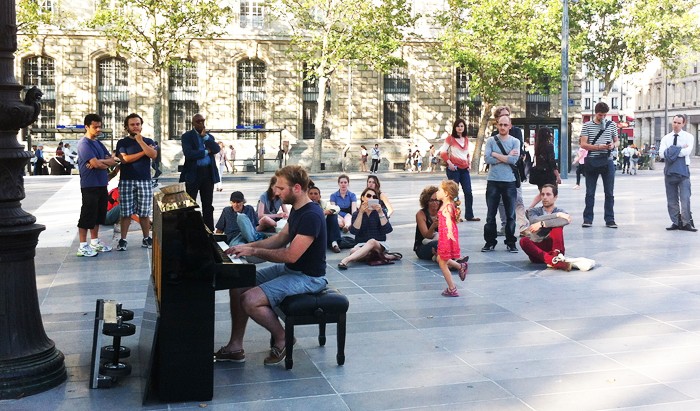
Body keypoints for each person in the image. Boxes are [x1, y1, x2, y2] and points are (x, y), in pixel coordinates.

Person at [215, 165, 328, 366]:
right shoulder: (297, 210)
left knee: (250, 299)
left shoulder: (311, 215)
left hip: (308, 278)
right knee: (238, 282)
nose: (275, 192)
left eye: (281, 188)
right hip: (292, 271)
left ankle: (283, 338)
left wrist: (254, 251)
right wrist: (246, 246)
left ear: (297, 188)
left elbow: (291, 255)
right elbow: (279, 239)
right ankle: (235, 346)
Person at [520, 184, 595, 271]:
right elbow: (534, 220)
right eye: (542, 194)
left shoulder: (561, 211)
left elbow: (566, 220)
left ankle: (555, 259)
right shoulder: (533, 211)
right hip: (538, 253)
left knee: (557, 228)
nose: (544, 197)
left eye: (548, 194)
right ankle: (555, 262)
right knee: (523, 241)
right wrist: (557, 215)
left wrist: (542, 224)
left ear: (555, 197)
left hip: (556, 250)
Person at [75, 113, 117, 257]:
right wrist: (100, 162)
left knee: (98, 215)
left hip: (102, 184)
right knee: (87, 215)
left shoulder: (98, 143)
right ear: (86, 127)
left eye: (100, 127)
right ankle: (82, 245)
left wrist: (100, 163)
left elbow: (111, 161)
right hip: (89, 185)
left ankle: (94, 241)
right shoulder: (83, 144)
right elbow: (97, 163)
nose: (98, 129)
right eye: (95, 127)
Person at [115, 113, 158, 251]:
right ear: (127, 127)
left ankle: (146, 238)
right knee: (126, 212)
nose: (135, 127)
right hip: (127, 180)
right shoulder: (122, 143)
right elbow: (125, 159)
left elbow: (153, 155)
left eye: (138, 124)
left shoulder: (148, 140)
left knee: (144, 212)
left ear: (141, 125)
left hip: (144, 181)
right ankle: (123, 240)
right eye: (132, 124)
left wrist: (140, 142)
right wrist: (143, 153)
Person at [337, 187, 401, 269]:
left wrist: (380, 212)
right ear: (363, 197)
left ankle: (346, 260)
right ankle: (381, 256)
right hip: (362, 244)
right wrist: (361, 213)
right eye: (369, 196)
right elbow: (354, 231)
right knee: (353, 251)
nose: (371, 198)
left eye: (374, 197)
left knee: (372, 242)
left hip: (379, 243)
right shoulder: (357, 214)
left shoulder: (381, 212)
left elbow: (388, 229)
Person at [482, 115, 520, 253]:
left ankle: (511, 242)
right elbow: (487, 158)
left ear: (510, 126)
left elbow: (514, 160)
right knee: (490, 214)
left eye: (505, 125)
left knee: (510, 214)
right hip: (493, 181)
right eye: (500, 125)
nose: (503, 127)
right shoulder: (491, 140)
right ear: (497, 125)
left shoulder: (515, 141)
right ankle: (490, 242)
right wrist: (505, 157)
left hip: (509, 182)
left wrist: (496, 155)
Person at [580, 102, 619, 228]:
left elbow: (617, 141)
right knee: (590, 192)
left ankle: (610, 219)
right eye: (600, 115)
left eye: (604, 115)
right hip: (592, 160)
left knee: (609, 192)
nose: (602, 117)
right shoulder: (587, 126)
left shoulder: (611, 125)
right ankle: (588, 219)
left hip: (607, 160)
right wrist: (598, 147)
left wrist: (613, 145)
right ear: (595, 113)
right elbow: (583, 144)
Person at [179, 113, 221, 230]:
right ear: (192, 123)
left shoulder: (209, 137)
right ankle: (190, 229)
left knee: (208, 204)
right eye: (198, 121)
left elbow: (217, 149)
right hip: (193, 174)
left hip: (208, 174)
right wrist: (206, 152)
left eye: (203, 121)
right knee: (190, 204)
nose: (201, 123)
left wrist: (206, 138)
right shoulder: (187, 136)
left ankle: (209, 229)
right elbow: (189, 154)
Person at [491, 106, 527, 234]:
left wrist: (500, 156)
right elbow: (490, 156)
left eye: (507, 115)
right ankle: (505, 226)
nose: (505, 118)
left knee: (518, 198)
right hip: (499, 173)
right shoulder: (494, 136)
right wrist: (507, 156)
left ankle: (523, 226)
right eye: (502, 116)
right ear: (497, 119)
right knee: (501, 200)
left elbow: (517, 154)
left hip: (514, 171)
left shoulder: (516, 131)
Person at [660, 114, 697, 232]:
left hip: (683, 172)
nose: (676, 125)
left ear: (683, 124)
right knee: (671, 199)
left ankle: (686, 223)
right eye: (674, 122)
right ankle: (675, 222)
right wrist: (679, 149)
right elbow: (661, 154)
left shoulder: (689, 136)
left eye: (678, 123)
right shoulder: (666, 138)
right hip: (669, 172)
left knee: (685, 198)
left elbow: (687, 151)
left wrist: (671, 151)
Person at [439, 118, 479, 222]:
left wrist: (469, 163)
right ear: (455, 128)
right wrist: (450, 163)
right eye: (458, 126)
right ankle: (455, 215)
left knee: (468, 192)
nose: (460, 128)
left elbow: (467, 153)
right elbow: (443, 153)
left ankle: (469, 215)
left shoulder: (465, 139)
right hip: (454, 169)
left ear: (464, 127)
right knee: (454, 193)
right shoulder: (450, 139)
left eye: (462, 126)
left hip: (464, 169)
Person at [435, 180, 469, 297]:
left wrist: (449, 232)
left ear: (445, 193)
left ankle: (452, 288)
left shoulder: (448, 206)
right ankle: (460, 266)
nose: (437, 192)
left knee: (442, 263)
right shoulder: (447, 205)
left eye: (439, 190)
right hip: (445, 236)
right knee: (441, 258)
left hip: (447, 237)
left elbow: (449, 221)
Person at [527, 127, 561, 209]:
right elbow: (552, 162)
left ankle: (531, 208)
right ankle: (546, 209)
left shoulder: (538, 146)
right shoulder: (549, 146)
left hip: (540, 174)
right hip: (548, 174)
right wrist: (557, 175)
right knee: (552, 193)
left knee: (543, 193)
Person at [308, 185, 342, 253]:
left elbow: (337, 208)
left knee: (333, 215)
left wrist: (328, 211)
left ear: (320, 196)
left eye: (315, 193)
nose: (313, 196)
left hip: (324, 230)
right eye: (311, 194)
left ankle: (334, 243)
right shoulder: (305, 205)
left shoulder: (323, 203)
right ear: (307, 196)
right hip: (312, 232)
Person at [414, 186, 440, 260]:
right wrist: (433, 226)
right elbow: (426, 236)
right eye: (431, 200)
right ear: (426, 202)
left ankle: (451, 263)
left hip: (439, 242)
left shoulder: (442, 212)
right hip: (423, 246)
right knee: (439, 244)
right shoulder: (421, 214)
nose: (435, 203)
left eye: (437, 200)